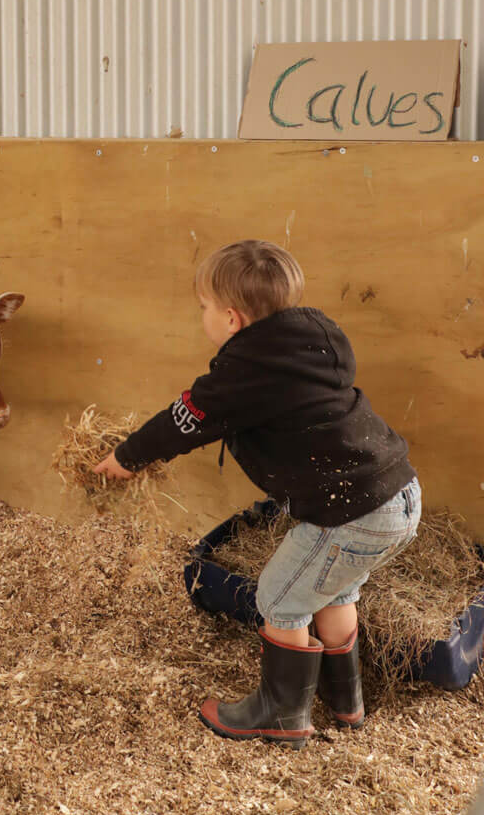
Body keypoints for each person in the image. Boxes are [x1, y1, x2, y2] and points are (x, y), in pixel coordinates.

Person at [93, 239, 420, 748]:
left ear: (231, 319)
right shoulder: (313, 341)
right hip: (398, 495)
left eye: (203, 308)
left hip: (352, 513)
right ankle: (345, 702)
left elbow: (186, 420)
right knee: (334, 589)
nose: (201, 316)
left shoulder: (245, 374)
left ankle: (282, 716)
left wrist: (127, 457)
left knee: (281, 597)